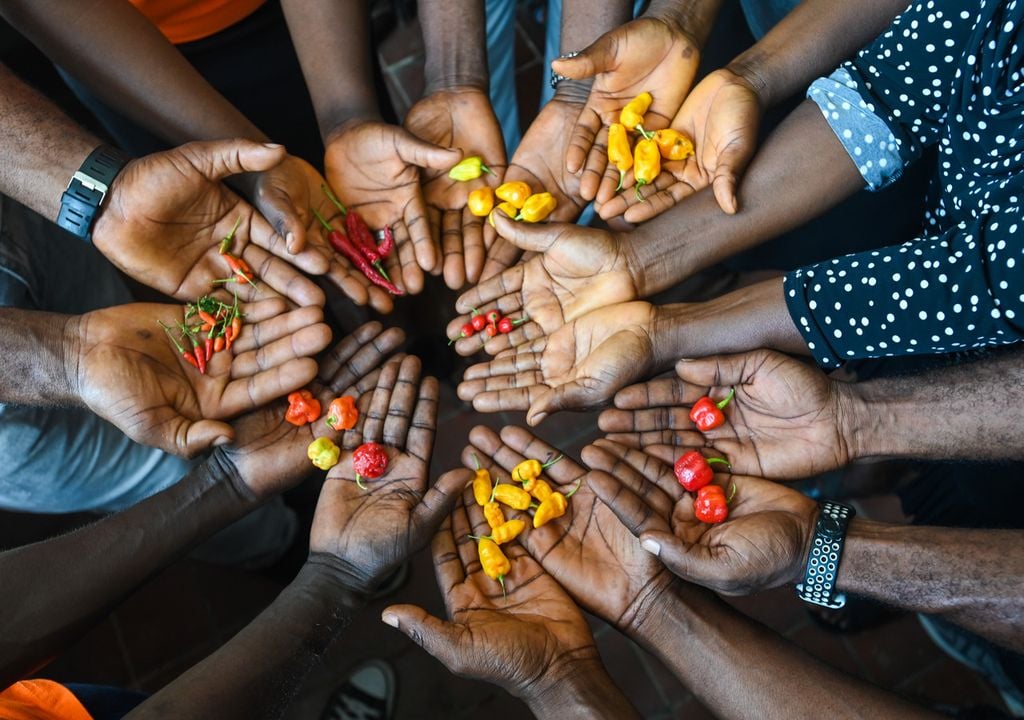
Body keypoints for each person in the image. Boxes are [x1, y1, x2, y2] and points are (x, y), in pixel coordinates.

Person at [449, 0, 1024, 423]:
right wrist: (635, 261)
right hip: (951, 182)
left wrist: (672, 330)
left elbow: (982, 282)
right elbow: (895, 92)